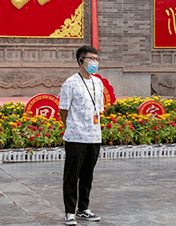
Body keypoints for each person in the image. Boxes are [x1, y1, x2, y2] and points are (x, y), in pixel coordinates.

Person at [59, 45, 105, 225]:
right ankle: (70, 212)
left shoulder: (98, 83)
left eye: (96, 59)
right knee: (72, 175)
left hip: (94, 136)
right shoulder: (70, 83)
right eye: (91, 59)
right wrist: (70, 126)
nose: (94, 62)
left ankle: (83, 209)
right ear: (81, 61)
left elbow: (99, 109)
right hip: (76, 137)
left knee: (88, 175)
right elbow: (63, 109)